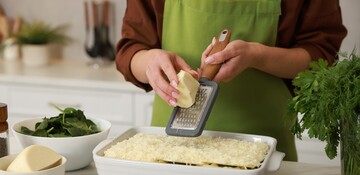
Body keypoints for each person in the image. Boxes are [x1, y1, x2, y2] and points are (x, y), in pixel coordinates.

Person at [115, 0, 347, 161]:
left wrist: (258, 56)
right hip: (170, 148)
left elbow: (321, 54)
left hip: (263, 149)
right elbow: (130, 49)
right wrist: (149, 62)